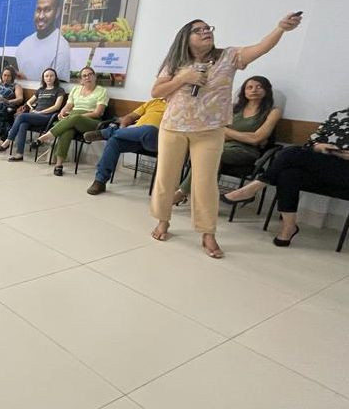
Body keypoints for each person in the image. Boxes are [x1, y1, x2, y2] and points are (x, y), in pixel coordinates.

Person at [148, 13, 301, 258]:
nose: (206, 31)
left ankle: (208, 233)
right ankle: (163, 220)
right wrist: (183, 78)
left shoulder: (228, 56)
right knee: (166, 178)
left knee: (205, 182)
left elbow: (261, 48)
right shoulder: (176, 62)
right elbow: (156, 91)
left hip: (209, 131)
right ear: (185, 38)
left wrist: (280, 29)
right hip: (173, 128)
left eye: (207, 28)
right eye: (198, 30)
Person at [222, 107, 349, 247]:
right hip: (325, 164)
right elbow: (311, 143)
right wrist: (319, 147)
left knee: (291, 152)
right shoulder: (339, 115)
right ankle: (289, 227)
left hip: (344, 173)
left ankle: (254, 187)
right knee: (288, 174)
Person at [172, 76, 282, 204]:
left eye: (259, 87)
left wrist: (227, 131)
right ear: (244, 91)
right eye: (249, 87)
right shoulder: (233, 108)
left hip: (246, 152)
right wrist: (243, 135)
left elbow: (257, 138)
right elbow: (216, 131)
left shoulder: (273, 112)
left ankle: (182, 193)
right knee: (209, 157)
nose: (254, 90)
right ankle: (203, 200)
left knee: (209, 154)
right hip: (222, 146)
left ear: (267, 90)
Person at [84, 98, 167, 194]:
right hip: (135, 136)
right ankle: (100, 181)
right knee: (113, 141)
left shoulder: (178, 106)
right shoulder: (154, 102)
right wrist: (122, 128)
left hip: (158, 140)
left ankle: (109, 132)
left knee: (149, 130)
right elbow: (130, 117)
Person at [35, 66, 109, 175]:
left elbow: (97, 113)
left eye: (90, 74)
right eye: (84, 75)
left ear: (94, 76)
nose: (87, 77)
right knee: (67, 131)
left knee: (75, 118)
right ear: (81, 79)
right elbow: (68, 105)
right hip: (72, 118)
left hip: (91, 121)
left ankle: (45, 137)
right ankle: (59, 165)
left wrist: (77, 116)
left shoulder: (102, 91)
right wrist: (62, 112)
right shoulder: (76, 89)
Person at [0, 68, 66, 160]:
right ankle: (19, 154)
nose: (49, 78)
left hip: (47, 117)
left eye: (51, 76)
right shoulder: (41, 90)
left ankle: (7, 142)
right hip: (35, 115)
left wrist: (40, 112)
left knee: (21, 116)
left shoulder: (59, 90)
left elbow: (56, 107)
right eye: (46, 76)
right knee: (23, 124)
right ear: (43, 78)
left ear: (55, 77)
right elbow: (28, 102)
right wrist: (32, 108)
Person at [13, 0, 71, 81]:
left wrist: (27, 83)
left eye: (47, 10)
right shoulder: (24, 44)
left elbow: (59, 85)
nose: (41, 16)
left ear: (57, 12)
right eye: (38, 10)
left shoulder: (61, 46)